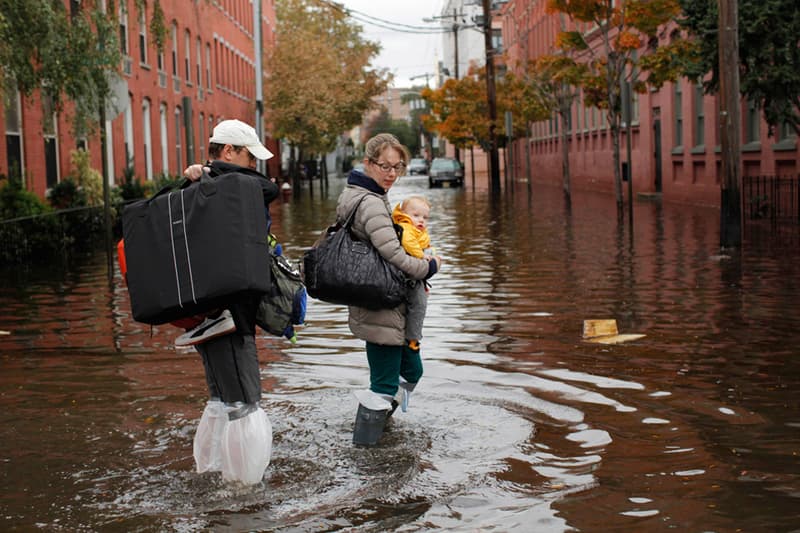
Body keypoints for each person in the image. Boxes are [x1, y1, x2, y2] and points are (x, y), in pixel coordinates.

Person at [183, 118, 280, 484]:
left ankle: (210, 472)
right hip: (231, 311)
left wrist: (206, 172)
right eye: (249, 157)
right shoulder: (231, 185)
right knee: (245, 402)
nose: (254, 165)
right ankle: (244, 490)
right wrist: (215, 171)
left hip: (201, 311)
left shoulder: (195, 188)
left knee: (221, 399)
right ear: (228, 151)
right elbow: (269, 188)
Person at [337, 133, 442, 447]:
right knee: (383, 384)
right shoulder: (369, 202)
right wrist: (429, 267)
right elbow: (393, 256)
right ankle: (365, 451)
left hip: (387, 299)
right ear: (368, 163)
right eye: (385, 166)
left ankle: (381, 430)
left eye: (398, 167)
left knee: (412, 371)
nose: (392, 173)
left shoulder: (370, 195)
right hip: (379, 303)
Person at [391, 195, 435, 412]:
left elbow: (427, 246)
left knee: (420, 302)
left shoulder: (417, 230)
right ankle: (413, 340)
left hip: (413, 278)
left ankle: (392, 407)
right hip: (408, 278)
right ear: (405, 215)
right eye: (416, 215)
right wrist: (426, 262)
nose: (421, 220)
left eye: (425, 217)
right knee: (419, 304)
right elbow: (409, 245)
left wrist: (429, 256)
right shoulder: (405, 228)